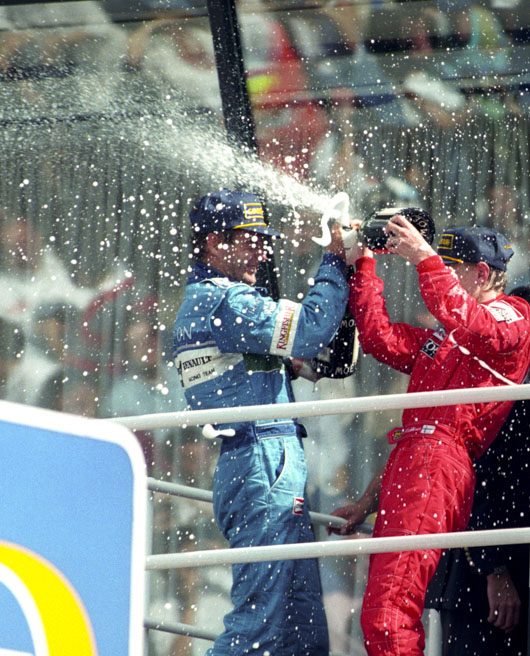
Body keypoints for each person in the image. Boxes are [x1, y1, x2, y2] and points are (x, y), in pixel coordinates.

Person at [329, 219, 530, 656]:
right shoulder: (451, 334)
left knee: (388, 616)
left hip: (437, 462)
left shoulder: (513, 316)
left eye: (450, 265)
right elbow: (380, 338)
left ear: (481, 274)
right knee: (384, 613)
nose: (438, 272)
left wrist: (424, 258)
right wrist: (363, 262)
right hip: (414, 459)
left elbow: (474, 321)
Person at [172, 188, 350, 656]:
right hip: (261, 463)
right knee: (259, 629)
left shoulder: (207, 302)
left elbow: (247, 362)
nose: (261, 250)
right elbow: (311, 328)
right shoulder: (226, 301)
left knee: (304, 632)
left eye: (263, 240)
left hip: (259, 462)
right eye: (249, 240)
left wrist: (289, 364)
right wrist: (334, 261)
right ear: (213, 244)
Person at [425, 285, 530, 656]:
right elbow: (474, 477)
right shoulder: (498, 392)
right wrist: (495, 570)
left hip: (507, 572)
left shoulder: (522, 390)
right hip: (478, 583)